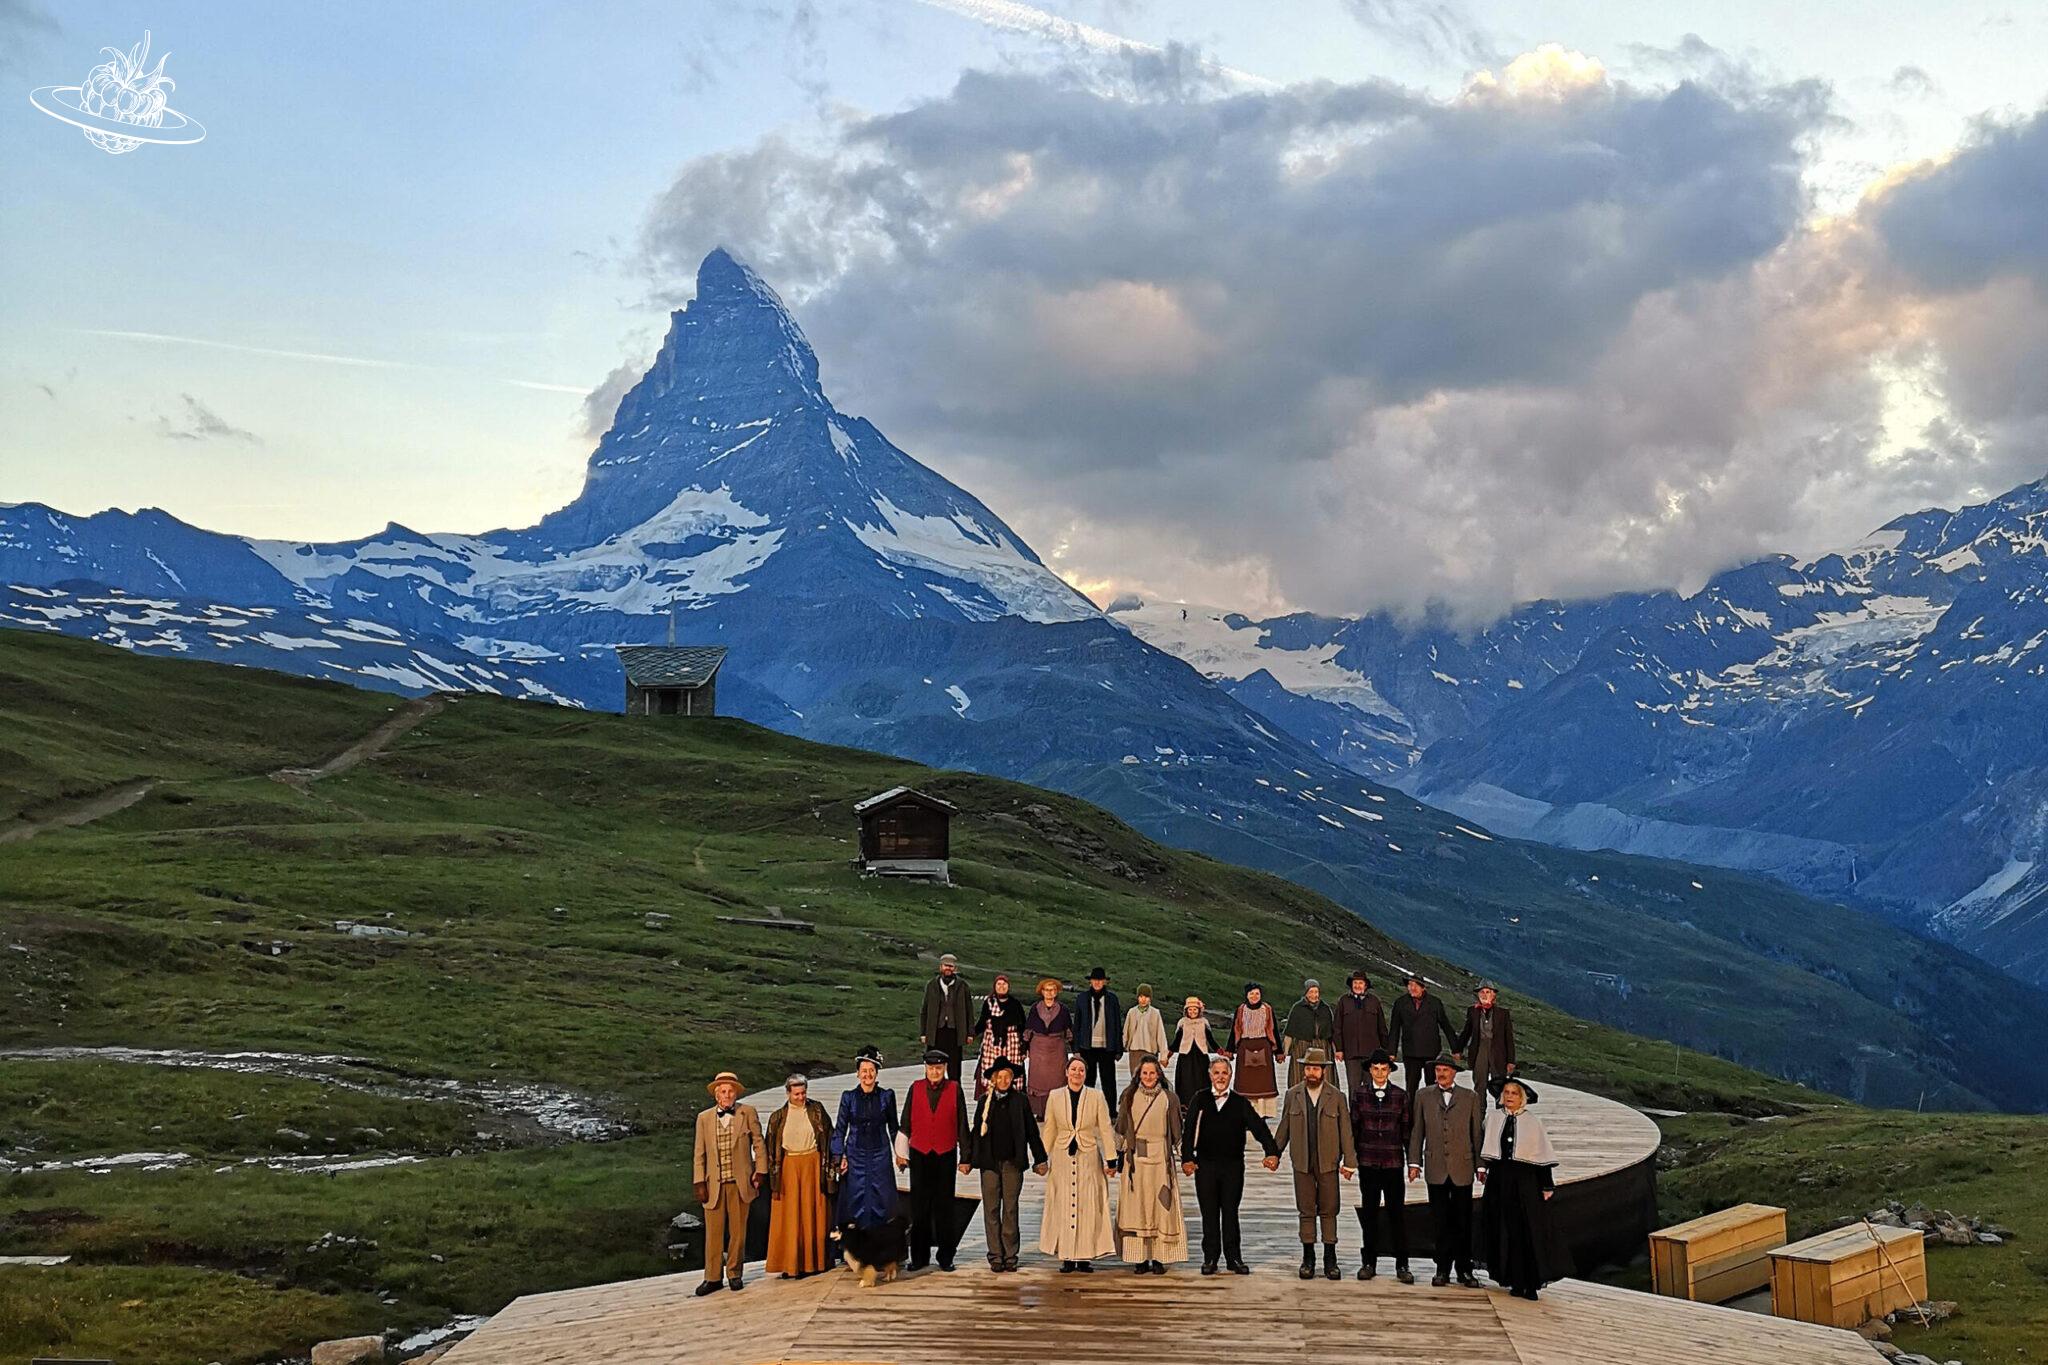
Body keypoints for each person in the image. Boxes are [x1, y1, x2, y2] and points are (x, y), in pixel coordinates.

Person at [1181, 1054, 1279, 1275]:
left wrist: (1272, 1151)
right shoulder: (1200, 1099)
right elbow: (1189, 1131)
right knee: (1209, 1213)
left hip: (1232, 1166)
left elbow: (1259, 1128)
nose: (1220, 1077)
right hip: (1205, 1164)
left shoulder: (1239, 1102)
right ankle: (1210, 1257)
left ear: (1231, 1075)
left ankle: (1234, 1257)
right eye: (1216, 1073)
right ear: (1210, 1075)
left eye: (1224, 1073)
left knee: (1230, 1211)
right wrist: (1187, 1158)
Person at [1478, 1076, 1571, 1299]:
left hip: (1526, 1181)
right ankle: (1513, 1280)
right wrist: (1482, 1168)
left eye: (1514, 1093)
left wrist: (1546, 1185)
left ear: (1522, 1098)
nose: (1510, 1097)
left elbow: (1541, 1155)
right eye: (1507, 1093)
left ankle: (1531, 1283)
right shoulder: (1493, 1118)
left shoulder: (1532, 1122)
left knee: (1527, 1231)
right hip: (1500, 1180)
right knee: (1505, 1229)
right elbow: (1488, 1147)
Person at [1269, 1046, 1356, 1281]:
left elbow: (1346, 1131)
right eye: (1308, 1068)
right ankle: (1308, 1257)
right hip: (1302, 1161)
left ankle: (1330, 1258)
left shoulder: (1337, 1097)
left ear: (1324, 1071)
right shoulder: (1293, 1094)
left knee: (1329, 1208)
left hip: (1328, 1161)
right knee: (1306, 1209)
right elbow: (1284, 1128)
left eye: (1316, 1069)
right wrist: (1274, 1153)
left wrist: (1350, 1161)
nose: (1311, 1073)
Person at [959, 1056, 1047, 1272]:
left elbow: (1031, 1131)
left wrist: (1040, 1158)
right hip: (989, 1163)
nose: (1004, 1080)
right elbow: (976, 1132)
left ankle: (1010, 1254)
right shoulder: (984, 1101)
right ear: (994, 1079)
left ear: (1012, 1079)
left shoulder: (1020, 1101)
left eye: (1008, 1077)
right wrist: (966, 1158)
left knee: (1010, 1208)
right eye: (1000, 1077)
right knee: (991, 1208)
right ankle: (995, 1254)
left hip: (1012, 1163)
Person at [1408, 1055, 1483, 1288]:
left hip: (1462, 1166)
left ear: (1454, 1073)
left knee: (1463, 1220)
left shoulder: (1470, 1097)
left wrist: (1480, 1165)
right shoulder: (1423, 1096)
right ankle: (1442, 1269)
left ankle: (1464, 1269)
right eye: (1438, 1070)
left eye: (1445, 1070)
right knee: (1439, 1221)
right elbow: (1417, 1131)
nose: (1441, 1074)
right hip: (1436, 1166)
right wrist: (1414, 1162)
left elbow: (1476, 1133)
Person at [1040, 1055, 1119, 1272]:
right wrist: (1041, 1157)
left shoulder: (1096, 1096)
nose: (1077, 1073)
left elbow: (1105, 1128)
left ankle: (1084, 1257)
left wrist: (1111, 1158)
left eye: (1081, 1070)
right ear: (1066, 1072)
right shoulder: (1055, 1096)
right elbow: (1050, 1128)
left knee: (1088, 1204)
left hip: (1088, 1155)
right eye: (1073, 1069)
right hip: (1062, 1155)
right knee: (1064, 1203)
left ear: (1085, 1074)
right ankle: (1067, 1256)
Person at [692, 1069, 765, 1297]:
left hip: (739, 1182)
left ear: (736, 1094)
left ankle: (734, 1273)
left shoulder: (747, 1113)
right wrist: (699, 1181)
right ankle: (712, 1277)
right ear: (716, 1095)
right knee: (713, 1233)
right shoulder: (704, 1118)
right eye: (722, 1091)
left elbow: (758, 1143)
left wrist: (760, 1171)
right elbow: (699, 1153)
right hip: (714, 1183)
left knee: (738, 1231)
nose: (726, 1095)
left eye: (730, 1091)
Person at [1114, 1056, 1187, 1273]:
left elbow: (1177, 1131)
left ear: (1159, 1075)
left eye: (1152, 1073)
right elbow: (1121, 1128)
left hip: (1160, 1160)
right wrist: (1114, 1157)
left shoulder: (1169, 1098)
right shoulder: (1129, 1096)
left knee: (1160, 1208)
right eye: (1144, 1073)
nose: (1148, 1077)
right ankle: (1139, 1258)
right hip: (1136, 1161)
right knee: (1138, 1208)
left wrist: (1187, 1159)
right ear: (1139, 1075)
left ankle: (1158, 1258)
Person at [898, 1049, 967, 1272]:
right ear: (925, 1068)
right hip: (920, 1154)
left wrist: (966, 1157)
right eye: (931, 1068)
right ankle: (919, 1257)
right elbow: (905, 1123)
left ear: (945, 1068)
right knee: (919, 1208)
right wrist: (901, 1154)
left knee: (945, 1207)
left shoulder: (955, 1089)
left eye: (938, 1068)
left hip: (946, 1154)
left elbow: (962, 1123)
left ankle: (946, 1257)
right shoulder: (915, 1088)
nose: (934, 1071)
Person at [1349, 1049, 1413, 1283]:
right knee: (1370, 1214)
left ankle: (1402, 1264)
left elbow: (1406, 1130)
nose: (1379, 1073)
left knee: (1397, 1214)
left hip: (1393, 1162)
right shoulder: (1359, 1094)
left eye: (1383, 1069)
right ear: (1369, 1070)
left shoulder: (1400, 1095)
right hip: (1368, 1161)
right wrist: (1351, 1159)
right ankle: (1369, 1262)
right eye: (1375, 1069)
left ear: (1389, 1071)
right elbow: (1354, 1128)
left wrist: (1413, 1161)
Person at [764, 1074, 835, 1280]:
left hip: (813, 1163)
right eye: (796, 1094)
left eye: (803, 1093)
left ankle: (815, 1262)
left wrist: (834, 1162)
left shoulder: (817, 1110)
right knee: (790, 1215)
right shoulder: (777, 1117)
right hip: (789, 1165)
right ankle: (791, 1263)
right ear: (788, 1093)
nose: (801, 1097)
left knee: (814, 1211)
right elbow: (770, 1146)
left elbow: (830, 1135)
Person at [831, 1047, 900, 1232]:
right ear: (857, 1073)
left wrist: (901, 1153)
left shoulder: (887, 1096)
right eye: (864, 1071)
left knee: (882, 1198)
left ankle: (882, 1240)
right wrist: (839, 1155)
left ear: (877, 1073)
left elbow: (894, 1128)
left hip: (880, 1155)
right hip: (855, 1156)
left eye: (871, 1070)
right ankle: (856, 1241)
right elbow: (840, 1129)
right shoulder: (848, 1097)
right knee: (855, 1197)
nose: (867, 1075)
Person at [1390, 974, 1458, 1099]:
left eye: (1416, 985)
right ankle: (1411, 1111)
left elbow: (1446, 1026)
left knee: (1432, 1087)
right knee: (1411, 1088)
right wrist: (1392, 1052)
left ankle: (1432, 1110)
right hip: (1411, 1052)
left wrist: (1455, 1049)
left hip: (1431, 1052)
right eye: (1410, 985)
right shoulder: (1400, 1003)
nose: (1412, 988)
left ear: (1423, 988)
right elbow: (1394, 1028)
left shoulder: (1435, 1003)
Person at [1455, 982, 1518, 1116]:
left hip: (1498, 1052)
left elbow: (1508, 1037)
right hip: (1480, 1049)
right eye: (1482, 992)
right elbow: (1467, 1032)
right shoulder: (1473, 1011)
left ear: (1493, 995)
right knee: (1479, 1083)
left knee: (1499, 1083)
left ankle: (1501, 1115)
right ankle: (1479, 1115)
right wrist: (1458, 1049)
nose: (1484, 995)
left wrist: (1511, 1060)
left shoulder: (1503, 1013)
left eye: (1487, 992)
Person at [1073, 966, 1125, 1119]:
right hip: (1087, 1047)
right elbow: (1077, 1024)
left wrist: (1118, 1048)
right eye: (1094, 980)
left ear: (1105, 982)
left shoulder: (1112, 999)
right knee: (1088, 1080)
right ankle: (1086, 1111)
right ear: (1090, 982)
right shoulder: (1082, 998)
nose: (1097, 983)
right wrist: (1076, 1048)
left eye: (1100, 980)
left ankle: (1111, 1111)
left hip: (1107, 1047)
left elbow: (1117, 1024)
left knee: (1108, 1081)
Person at [1226, 982, 1281, 1118]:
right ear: (1247, 995)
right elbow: (1235, 1029)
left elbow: (1274, 1030)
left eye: (1257, 993)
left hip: (1264, 1046)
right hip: (1245, 1046)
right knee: (1245, 1084)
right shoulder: (1241, 1010)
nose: (1254, 996)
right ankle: (1245, 1113)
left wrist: (1279, 1051)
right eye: (1251, 994)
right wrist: (1230, 1050)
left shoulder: (1267, 1009)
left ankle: (1263, 1113)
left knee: (1263, 1083)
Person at [972, 972, 1029, 1101]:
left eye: (1004, 984)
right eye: (999, 984)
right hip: (992, 1043)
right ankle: (990, 1099)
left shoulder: (1015, 1004)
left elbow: (1022, 1027)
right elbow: (982, 1023)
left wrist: (1024, 1047)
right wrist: (971, 1034)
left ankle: (1014, 1099)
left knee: (1012, 1070)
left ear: (1008, 986)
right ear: (995, 986)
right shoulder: (989, 1003)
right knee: (992, 1071)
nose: (1002, 987)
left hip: (1012, 1043)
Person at [1024, 977, 1072, 1121]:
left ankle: (1057, 1112)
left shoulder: (1063, 1010)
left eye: (1053, 990)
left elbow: (1069, 1031)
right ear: (1042, 991)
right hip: (1038, 1049)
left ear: (1057, 992)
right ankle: (1040, 1112)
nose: (1050, 992)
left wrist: (1075, 1050)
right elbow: (1028, 1030)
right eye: (1047, 990)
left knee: (1058, 1080)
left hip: (1057, 1048)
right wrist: (1024, 1048)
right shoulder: (1035, 1008)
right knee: (1038, 1080)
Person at [920, 953, 973, 1082]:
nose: (948, 968)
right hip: (936, 1032)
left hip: (954, 1032)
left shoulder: (962, 986)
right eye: (946, 966)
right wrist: (923, 1032)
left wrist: (970, 1033)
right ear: (941, 967)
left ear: (955, 968)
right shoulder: (932, 985)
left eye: (951, 966)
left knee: (954, 1069)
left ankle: (955, 1092)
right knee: (934, 1064)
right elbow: (925, 1010)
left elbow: (969, 1010)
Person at [1334, 971, 1389, 1096]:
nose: (1357, 985)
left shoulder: (1374, 1001)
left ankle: (1372, 1109)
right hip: (1351, 1053)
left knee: (1372, 1087)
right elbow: (1337, 1027)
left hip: (1371, 1054)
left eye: (1360, 983)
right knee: (1354, 1088)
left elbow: (1382, 1027)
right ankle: (1354, 1109)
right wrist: (1339, 1049)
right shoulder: (1343, 1001)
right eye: (1355, 983)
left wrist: (1387, 1050)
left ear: (1365, 985)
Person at [1282, 979, 1338, 1093]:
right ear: (1306, 993)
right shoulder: (1298, 1008)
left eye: (1316, 992)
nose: (1314, 995)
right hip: (1302, 1046)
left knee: (1325, 1076)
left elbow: (1331, 1033)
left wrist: (1336, 1050)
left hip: (1322, 1046)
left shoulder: (1325, 1008)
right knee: (1299, 1076)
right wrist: (1285, 1051)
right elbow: (1289, 1032)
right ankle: (1298, 1098)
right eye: (1311, 992)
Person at [1170, 997, 1218, 1112]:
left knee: (1201, 1079)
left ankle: (1203, 1103)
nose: (1192, 1012)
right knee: (1186, 1081)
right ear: (1186, 1011)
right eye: (1190, 1010)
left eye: (1195, 1009)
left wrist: (1219, 1050)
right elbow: (1177, 1041)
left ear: (1199, 1010)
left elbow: (1210, 1040)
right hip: (1185, 1057)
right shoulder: (1182, 1023)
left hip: (1201, 1056)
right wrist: (1169, 1052)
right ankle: (1185, 1105)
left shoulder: (1204, 1023)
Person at [1122, 983, 1169, 1072]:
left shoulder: (1155, 1013)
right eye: (1141, 996)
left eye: (1146, 997)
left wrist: (1164, 1055)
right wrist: (1120, 1049)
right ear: (1137, 998)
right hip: (1135, 1051)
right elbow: (1125, 1032)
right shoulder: (1132, 1012)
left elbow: (1161, 1035)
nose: (1143, 999)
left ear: (1150, 998)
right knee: (1136, 1076)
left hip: (1150, 1051)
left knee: (1150, 1075)